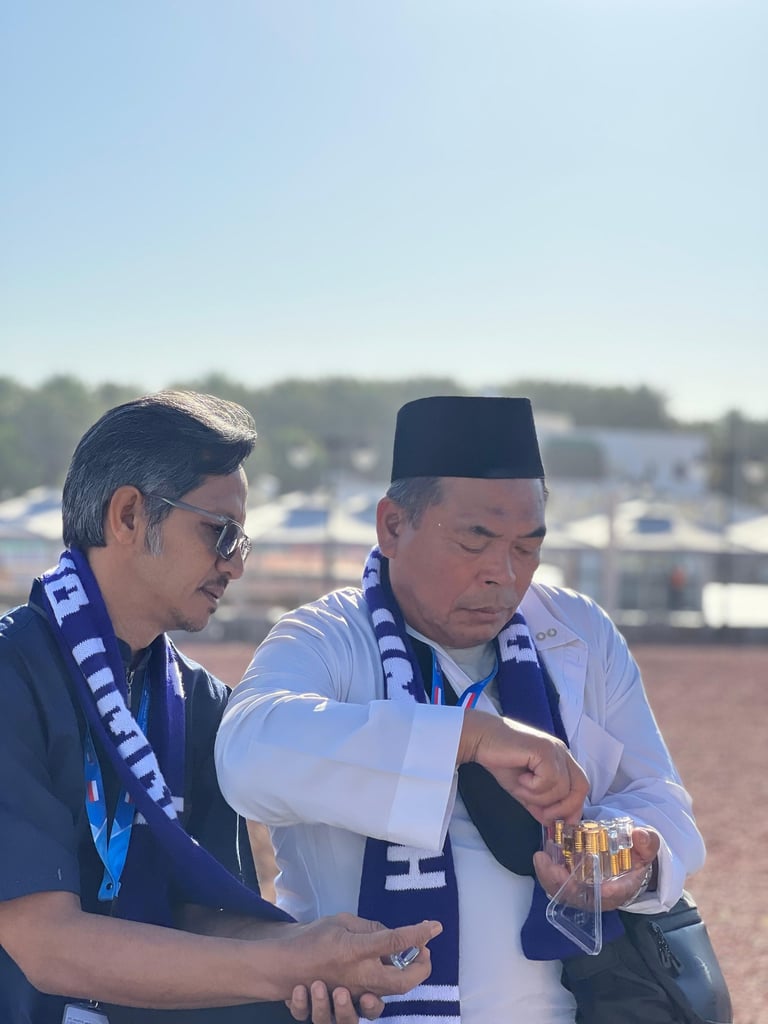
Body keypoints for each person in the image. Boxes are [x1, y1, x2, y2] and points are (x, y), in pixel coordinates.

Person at [215, 395, 706, 1024]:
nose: (503, 574)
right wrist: (467, 738)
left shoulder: (576, 630)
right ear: (393, 526)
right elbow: (246, 752)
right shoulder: (326, 636)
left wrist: (628, 860)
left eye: (527, 547)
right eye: (476, 540)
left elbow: (659, 800)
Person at [0, 390, 443, 1024]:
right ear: (128, 515)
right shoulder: (12, 673)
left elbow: (207, 916)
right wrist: (284, 965)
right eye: (220, 532)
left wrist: (314, 951)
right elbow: (44, 943)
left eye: (242, 541)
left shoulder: (201, 701)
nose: (234, 565)